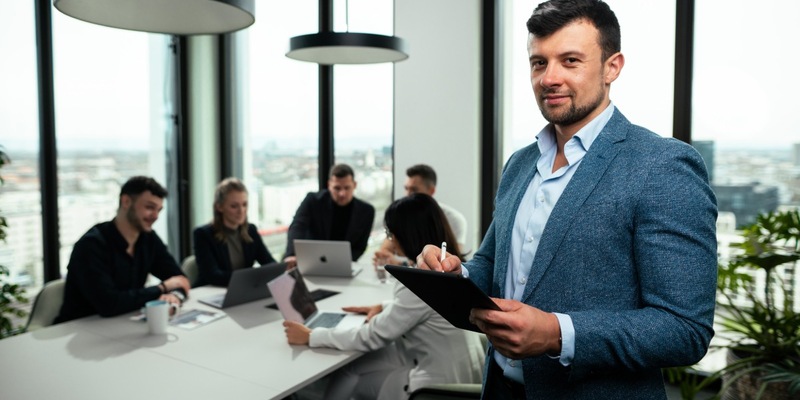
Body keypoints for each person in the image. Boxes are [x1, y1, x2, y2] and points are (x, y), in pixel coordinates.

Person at [417, 1, 718, 398]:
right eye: (538, 63)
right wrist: (457, 278)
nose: (549, 78)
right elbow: (494, 265)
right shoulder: (520, 164)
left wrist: (558, 334)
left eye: (570, 60)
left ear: (612, 67)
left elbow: (684, 330)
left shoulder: (662, 166)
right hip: (500, 389)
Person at [283, 193, 483, 400]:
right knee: (355, 366)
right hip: (464, 371)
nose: (390, 239)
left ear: (406, 233)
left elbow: (372, 336)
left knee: (352, 374)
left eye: (390, 232)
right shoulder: (452, 268)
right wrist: (384, 305)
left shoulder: (423, 280)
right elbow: (426, 308)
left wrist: (311, 336)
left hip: (438, 386)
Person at [55, 176, 190, 324]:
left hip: (123, 324)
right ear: (126, 202)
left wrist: (175, 295)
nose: (156, 216)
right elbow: (109, 304)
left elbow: (180, 279)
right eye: (149, 207)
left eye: (159, 210)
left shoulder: (148, 238)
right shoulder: (91, 245)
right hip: (80, 328)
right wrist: (162, 288)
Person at [372, 164, 468, 267]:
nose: (408, 194)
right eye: (406, 188)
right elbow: (387, 248)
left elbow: (451, 263)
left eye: (414, 190)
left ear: (431, 191)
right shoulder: (404, 215)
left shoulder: (454, 219)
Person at [283, 164, 375, 266]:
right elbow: (297, 227)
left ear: (355, 185)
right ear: (329, 185)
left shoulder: (367, 211)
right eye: (337, 188)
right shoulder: (312, 201)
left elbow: (360, 247)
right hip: (309, 262)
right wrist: (292, 254)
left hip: (343, 265)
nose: (342, 193)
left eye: (347, 188)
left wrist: (341, 263)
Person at [193, 177, 278, 287]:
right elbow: (213, 276)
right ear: (219, 207)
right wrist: (252, 278)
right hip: (211, 291)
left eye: (244, 204)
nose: (241, 211)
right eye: (234, 206)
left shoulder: (250, 230)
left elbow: (269, 263)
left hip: (241, 290)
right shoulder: (203, 234)